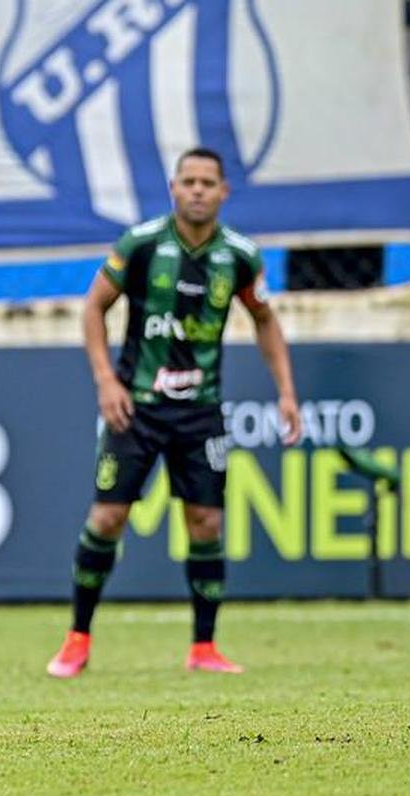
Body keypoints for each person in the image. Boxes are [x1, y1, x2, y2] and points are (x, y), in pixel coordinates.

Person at [46, 147, 302, 678]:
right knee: (108, 517)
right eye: (189, 181)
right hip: (135, 409)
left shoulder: (240, 256)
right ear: (173, 187)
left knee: (206, 521)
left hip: (201, 411)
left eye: (208, 181)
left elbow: (264, 319)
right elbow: (94, 306)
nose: (198, 190)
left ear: (224, 191)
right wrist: (105, 381)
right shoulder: (140, 245)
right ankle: (77, 639)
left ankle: (204, 647)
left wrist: (286, 393)